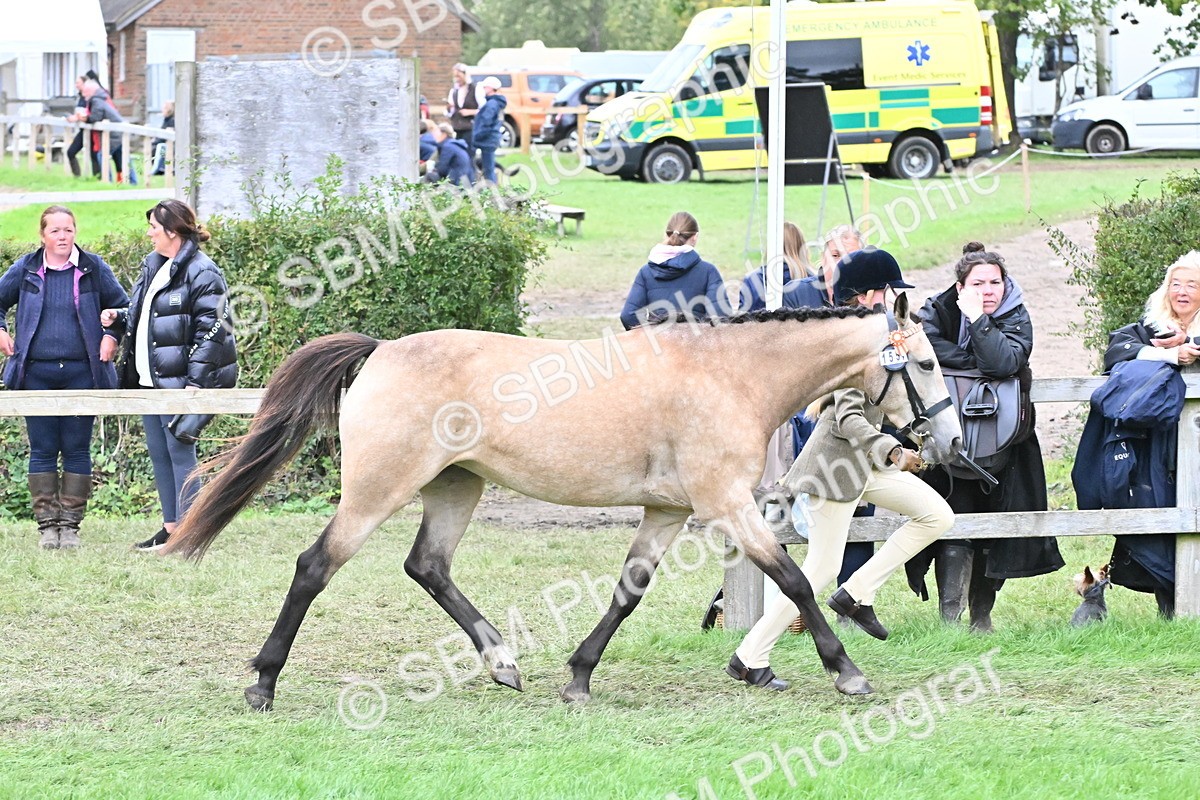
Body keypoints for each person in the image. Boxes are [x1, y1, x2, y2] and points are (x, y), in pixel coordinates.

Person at [728, 248, 954, 690]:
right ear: (871, 293)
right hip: (836, 467)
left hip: (867, 465)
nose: (895, 300)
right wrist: (893, 451)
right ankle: (749, 656)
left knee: (937, 516)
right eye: (890, 291)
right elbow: (849, 418)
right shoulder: (851, 345)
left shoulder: (878, 338)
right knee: (820, 567)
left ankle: (857, 592)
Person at [906, 242, 1063, 631]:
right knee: (952, 521)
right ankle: (950, 620)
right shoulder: (937, 311)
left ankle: (981, 615)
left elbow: (1005, 361)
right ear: (960, 287)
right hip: (949, 440)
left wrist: (978, 322)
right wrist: (978, 362)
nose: (988, 290)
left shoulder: (1017, 317)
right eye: (978, 283)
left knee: (996, 529)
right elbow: (926, 350)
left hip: (1007, 440)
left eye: (995, 282)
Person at [102, 200, 238, 551]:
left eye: (153, 228)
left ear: (172, 232)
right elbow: (145, 315)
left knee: (180, 453)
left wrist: (194, 381)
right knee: (160, 453)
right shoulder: (153, 265)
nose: (148, 233)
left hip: (181, 383)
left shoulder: (203, 271)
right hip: (150, 381)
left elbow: (214, 329)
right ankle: (171, 527)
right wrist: (119, 317)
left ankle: (192, 533)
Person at [0, 206, 129, 549]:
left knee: (75, 448)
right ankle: (47, 526)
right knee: (42, 448)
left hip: (82, 373)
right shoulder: (26, 268)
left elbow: (123, 308)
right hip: (35, 375)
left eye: (68, 230)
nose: (62, 236)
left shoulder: (93, 267)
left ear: (75, 232)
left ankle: (70, 526)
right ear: (42, 235)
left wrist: (111, 336)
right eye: (55, 230)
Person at [1091, 250, 1200, 617]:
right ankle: (1169, 609)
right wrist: (1166, 354)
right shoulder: (1152, 326)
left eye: (1192, 284)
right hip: (1157, 447)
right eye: (1176, 283)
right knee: (1160, 508)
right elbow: (1116, 353)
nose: (1181, 291)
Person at [619, 211, 726, 329]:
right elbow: (721, 317)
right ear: (695, 237)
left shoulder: (646, 272)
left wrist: (649, 337)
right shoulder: (708, 271)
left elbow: (628, 315)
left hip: (658, 344)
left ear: (666, 235)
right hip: (695, 344)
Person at [81, 79, 135, 184]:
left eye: (85, 91)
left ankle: (107, 180)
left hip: (114, 134)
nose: (84, 94)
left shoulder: (96, 100)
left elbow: (96, 116)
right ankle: (132, 182)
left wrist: (86, 119)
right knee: (124, 158)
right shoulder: (100, 98)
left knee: (103, 155)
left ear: (92, 91)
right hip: (117, 132)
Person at [472, 76, 507, 185]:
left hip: (487, 139)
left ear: (491, 88)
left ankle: (492, 191)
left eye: (485, 87)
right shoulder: (496, 103)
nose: (483, 89)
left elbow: (486, 123)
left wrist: (477, 136)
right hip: (490, 139)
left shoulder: (491, 104)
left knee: (488, 169)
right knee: (489, 167)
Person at [425, 123, 475, 187]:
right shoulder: (453, 145)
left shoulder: (447, 146)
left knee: (429, 176)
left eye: (436, 133)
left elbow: (442, 169)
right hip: (465, 180)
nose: (434, 136)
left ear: (444, 134)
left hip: (457, 181)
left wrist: (433, 169)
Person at [446, 63, 484, 150]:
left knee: (469, 152)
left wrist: (471, 112)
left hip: (470, 127)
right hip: (456, 127)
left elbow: (484, 109)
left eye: (459, 76)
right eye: (455, 77)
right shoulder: (454, 91)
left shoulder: (475, 89)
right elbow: (450, 112)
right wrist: (449, 109)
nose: (457, 79)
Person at [151, 99, 175, 176]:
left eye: (164, 108)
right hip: (163, 142)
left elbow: (165, 135)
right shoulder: (167, 119)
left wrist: (154, 141)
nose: (162, 110)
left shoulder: (172, 120)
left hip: (169, 145)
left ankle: (160, 168)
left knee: (159, 147)